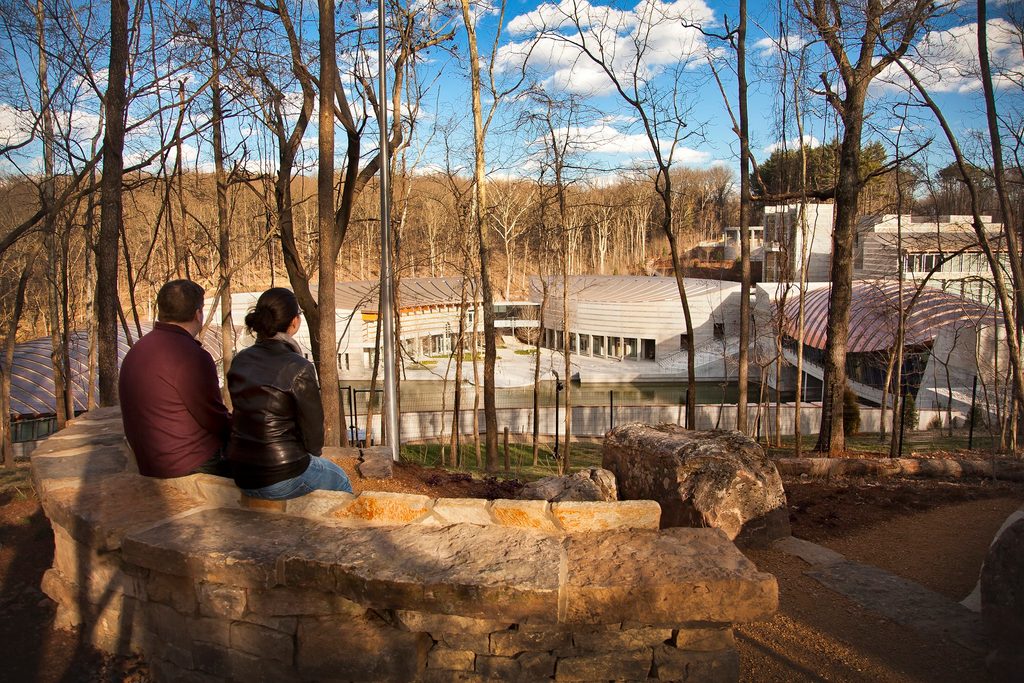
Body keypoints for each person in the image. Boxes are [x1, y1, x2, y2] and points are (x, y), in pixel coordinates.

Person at [226, 287, 352, 499]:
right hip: (281, 473)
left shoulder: (240, 361)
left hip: (241, 471)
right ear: (294, 322)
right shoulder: (299, 367)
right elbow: (314, 436)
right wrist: (309, 456)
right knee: (340, 479)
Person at [119, 279, 231, 478]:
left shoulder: (138, 349)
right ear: (198, 314)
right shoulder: (190, 356)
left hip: (149, 459)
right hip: (187, 461)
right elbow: (214, 418)